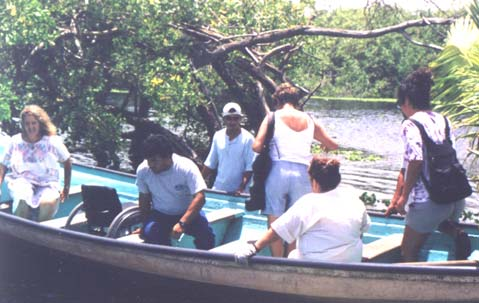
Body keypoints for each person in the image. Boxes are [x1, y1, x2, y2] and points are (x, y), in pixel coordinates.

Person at [385, 67, 471, 262]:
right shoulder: (443, 120)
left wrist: (404, 197)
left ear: (406, 101)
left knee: (408, 252)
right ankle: (456, 232)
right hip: (454, 198)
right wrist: (395, 198)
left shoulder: (411, 124)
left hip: (430, 201)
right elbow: (407, 166)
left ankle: (413, 291)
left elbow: (415, 160)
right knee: (437, 220)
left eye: (400, 104)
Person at [253, 82, 338, 257]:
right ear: (297, 101)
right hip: (303, 174)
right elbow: (332, 144)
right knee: (297, 221)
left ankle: (277, 261)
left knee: (275, 221)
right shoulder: (309, 120)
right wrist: (318, 152)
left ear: (277, 100)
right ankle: (291, 259)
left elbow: (256, 146)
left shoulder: (272, 116)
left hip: (278, 171)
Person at [235, 156, 370, 263]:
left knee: (293, 255)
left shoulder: (309, 202)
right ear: (338, 180)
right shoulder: (353, 199)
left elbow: (277, 231)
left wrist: (254, 248)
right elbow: (363, 229)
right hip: (352, 263)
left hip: (316, 266)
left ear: (314, 182)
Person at [136, 134, 215, 249]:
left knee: (206, 235)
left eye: (154, 160)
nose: (150, 165)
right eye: (148, 160)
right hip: (160, 215)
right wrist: (144, 223)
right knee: (150, 233)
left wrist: (182, 223)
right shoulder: (143, 170)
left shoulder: (186, 167)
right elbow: (144, 199)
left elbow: (200, 197)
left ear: (167, 157)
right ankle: (167, 260)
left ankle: (205, 262)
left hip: (188, 214)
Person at [0, 105, 72, 221]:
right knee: (22, 200)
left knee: (48, 203)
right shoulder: (15, 141)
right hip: (22, 180)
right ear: (23, 125)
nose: (30, 127)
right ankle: (19, 230)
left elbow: (67, 160)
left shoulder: (52, 141)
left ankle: (38, 232)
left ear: (40, 123)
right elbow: (3, 164)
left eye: (33, 123)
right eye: (27, 123)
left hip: (47, 183)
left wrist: (66, 187)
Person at [202, 102, 255, 194]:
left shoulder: (249, 139)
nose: (232, 122)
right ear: (223, 119)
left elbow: (249, 168)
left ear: (240, 119)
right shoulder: (218, 136)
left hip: (240, 194)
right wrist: (198, 183)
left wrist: (240, 188)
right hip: (219, 190)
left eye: (236, 118)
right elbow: (210, 164)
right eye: (229, 118)